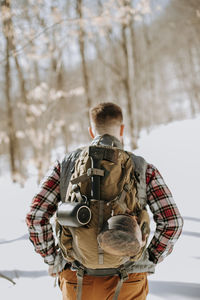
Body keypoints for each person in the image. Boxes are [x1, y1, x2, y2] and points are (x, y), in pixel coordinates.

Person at [26, 102, 183, 300]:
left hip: (77, 278)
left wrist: (54, 259)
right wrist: (148, 259)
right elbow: (173, 222)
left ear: (92, 131)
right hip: (129, 279)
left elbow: (35, 217)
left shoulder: (64, 166)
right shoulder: (143, 168)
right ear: (122, 129)